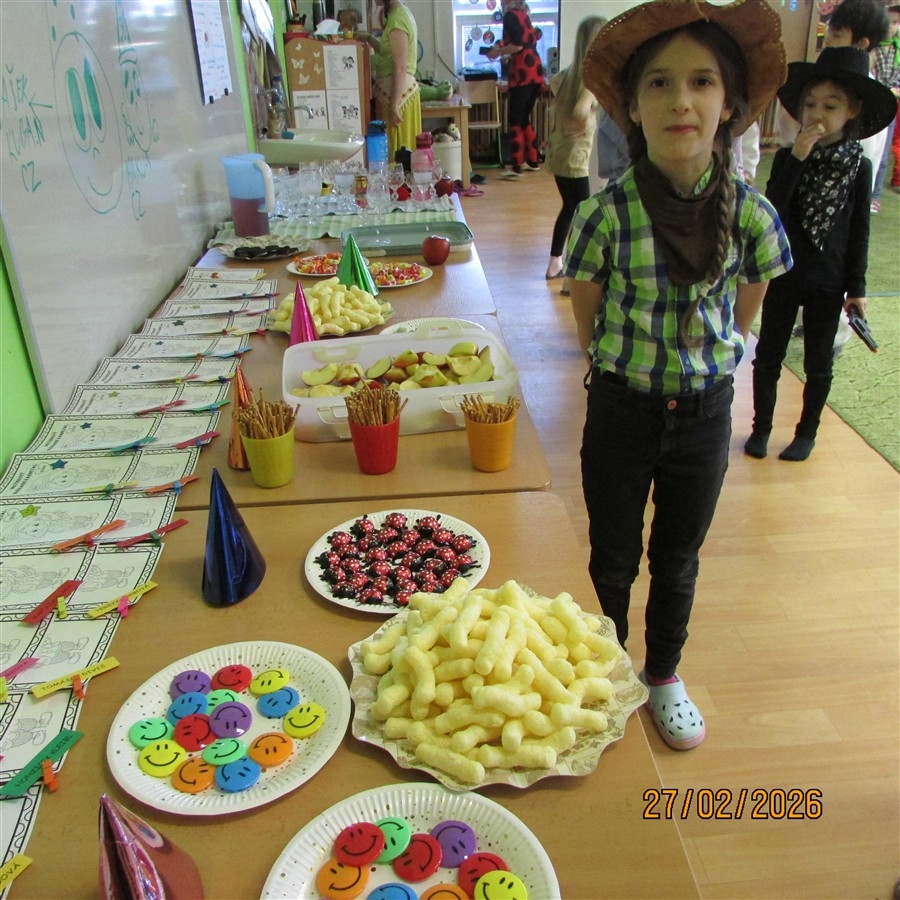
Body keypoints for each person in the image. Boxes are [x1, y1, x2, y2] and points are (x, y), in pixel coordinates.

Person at [565, 0, 792, 750]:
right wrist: (622, 367)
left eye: (702, 82)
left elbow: (749, 305)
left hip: (703, 415)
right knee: (612, 554)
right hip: (622, 410)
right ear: (632, 107)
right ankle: (603, 667)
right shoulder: (604, 216)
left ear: (729, 105)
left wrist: (713, 360)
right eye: (659, 83)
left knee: (678, 557)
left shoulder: (752, 215)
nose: (680, 100)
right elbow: (588, 315)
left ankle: (662, 671)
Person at [745, 47, 897, 462]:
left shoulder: (858, 167)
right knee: (768, 355)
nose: (817, 114)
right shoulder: (789, 157)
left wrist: (856, 287)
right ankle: (761, 428)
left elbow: (859, 231)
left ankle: (806, 433)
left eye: (830, 106)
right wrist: (796, 159)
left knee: (819, 362)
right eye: (809, 104)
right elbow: (771, 210)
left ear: (852, 111)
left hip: (828, 281)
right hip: (784, 273)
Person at [543, 16, 606, 281]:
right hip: (577, 156)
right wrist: (581, 126)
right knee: (579, 209)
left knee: (570, 206)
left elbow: (553, 84)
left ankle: (557, 262)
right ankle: (566, 263)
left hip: (559, 152)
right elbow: (581, 111)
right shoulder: (591, 81)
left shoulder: (566, 77)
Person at [487, 0, 545, 177]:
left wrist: (499, 52)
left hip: (523, 74)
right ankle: (533, 161)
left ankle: (516, 165)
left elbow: (517, 45)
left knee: (515, 120)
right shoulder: (523, 15)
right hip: (535, 72)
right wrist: (501, 49)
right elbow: (519, 43)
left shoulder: (510, 16)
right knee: (524, 118)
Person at [362, 0, 422, 160]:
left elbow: (400, 67)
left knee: (398, 153)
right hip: (397, 94)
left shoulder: (398, 19)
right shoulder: (399, 15)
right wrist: (369, 38)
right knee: (397, 153)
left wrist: (395, 104)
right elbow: (388, 52)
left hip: (398, 97)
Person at [871, 4, 900, 208]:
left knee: (882, 154)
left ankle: (875, 196)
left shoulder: (898, 50)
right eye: (888, 22)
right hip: (874, 103)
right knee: (868, 151)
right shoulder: (874, 49)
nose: (891, 26)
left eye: (896, 22)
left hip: (891, 105)